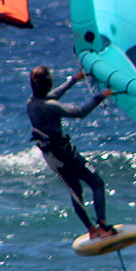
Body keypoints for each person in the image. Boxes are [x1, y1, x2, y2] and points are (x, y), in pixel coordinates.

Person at [27, 65, 117, 240]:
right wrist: (101, 96)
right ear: (49, 83)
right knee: (97, 182)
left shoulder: (31, 103)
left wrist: (74, 80)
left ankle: (92, 229)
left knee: (76, 192)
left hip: (50, 157)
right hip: (64, 154)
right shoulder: (50, 106)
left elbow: (53, 96)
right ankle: (104, 228)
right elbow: (80, 113)